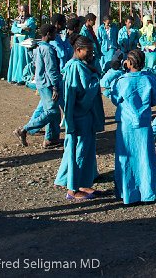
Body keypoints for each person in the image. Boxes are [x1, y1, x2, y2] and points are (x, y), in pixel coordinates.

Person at [54, 36, 104, 202]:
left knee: (86, 151)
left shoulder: (80, 66)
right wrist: (97, 79)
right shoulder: (77, 68)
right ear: (78, 50)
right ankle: (72, 189)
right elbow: (85, 92)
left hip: (84, 116)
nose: (90, 55)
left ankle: (83, 184)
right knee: (79, 152)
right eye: (87, 52)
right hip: (80, 116)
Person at [108, 49, 156, 204]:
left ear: (129, 63)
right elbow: (155, 100)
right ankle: (147, 193)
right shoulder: (149, 79)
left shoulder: (122, 81)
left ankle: (127, 193)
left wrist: (115, 68)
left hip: (126, 125)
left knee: (126, 159)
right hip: (144, 123)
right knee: (145, 157)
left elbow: (114, 97)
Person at [13, 25, 63, 149]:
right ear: (48, 34)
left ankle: (51, 138)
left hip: (41, 82)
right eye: (54, 33)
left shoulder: (38, 47)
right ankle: (25, 129)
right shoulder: (47, 49)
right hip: (48, 84)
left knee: (53, 111)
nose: (56, 35)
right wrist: (56, 86)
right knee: (52, 111)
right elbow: (51, 69)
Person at [7, 4, 37, 85]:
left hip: (25, 44)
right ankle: (14, 77)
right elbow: (13, 29)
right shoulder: (16, 20)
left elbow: (28, 29)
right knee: (16, 60)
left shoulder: (31, 20)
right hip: (17, 44)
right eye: (21, 11)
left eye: (24, 11)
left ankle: (22, 78)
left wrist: (20, 29)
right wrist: (21, 29)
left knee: (23, 60)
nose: (22, 13)